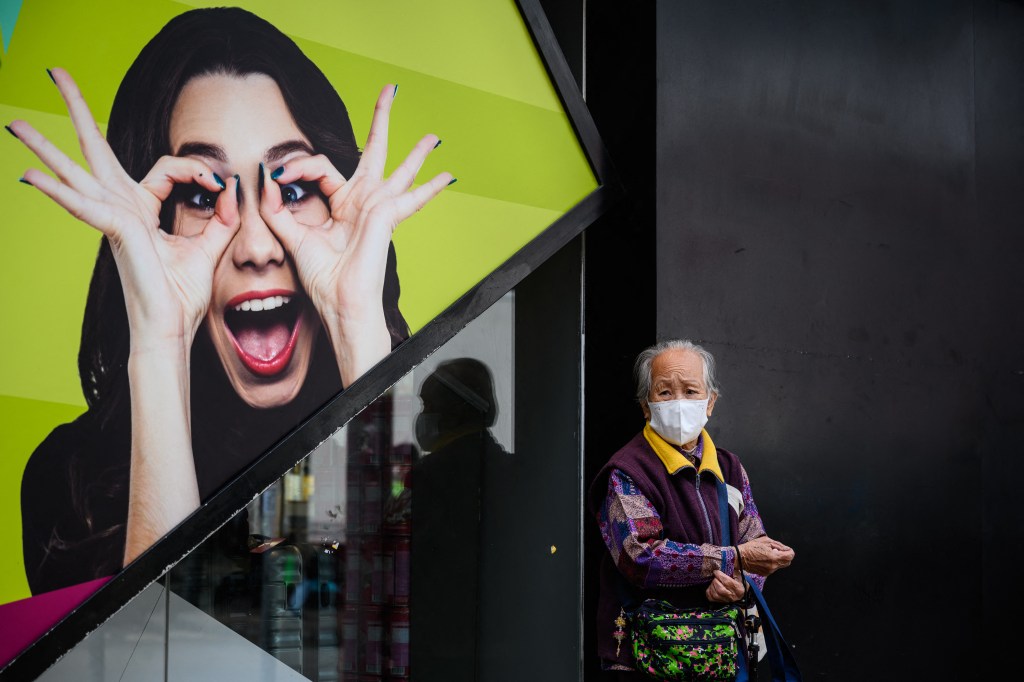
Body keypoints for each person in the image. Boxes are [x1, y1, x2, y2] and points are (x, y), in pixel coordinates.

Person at [11, 7, 453, 595]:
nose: (255, 245)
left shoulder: (450, 439)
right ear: (153, 219)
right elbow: (149, 659)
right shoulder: (71, 481)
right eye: (202, 192)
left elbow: (433, 643)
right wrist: (160, 343)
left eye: (292, 190)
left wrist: (361, 338)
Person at [587, 339, 795, 679]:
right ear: (645, 405)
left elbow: (753, 539)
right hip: (647, 657)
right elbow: (641, 558)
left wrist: (743, 582)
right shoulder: (627, 471)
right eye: (665, 392)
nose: (678, 401)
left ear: (710, 402)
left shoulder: (728, 467)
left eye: (690, 390)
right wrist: (734, 558)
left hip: (720, 652)